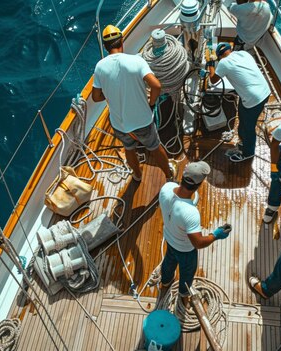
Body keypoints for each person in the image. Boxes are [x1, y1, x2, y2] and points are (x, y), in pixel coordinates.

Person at [91, 25, 176, 181]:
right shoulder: (136, 61)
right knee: (155, 147)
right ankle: (169, 176)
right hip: (142, 121)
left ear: (105, 46)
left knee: (129, 149)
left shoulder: (99, 67)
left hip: (119, 124)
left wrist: (109, 93)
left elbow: (96, 97)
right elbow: (156, 85)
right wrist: (151, 103)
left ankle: (137, 175)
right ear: (122, 41)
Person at [159, 161, 231, 304]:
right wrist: (215, 235)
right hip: (185, 250)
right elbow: (198, 242)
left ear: (182, 177)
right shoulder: (191, 213)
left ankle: (165, 283)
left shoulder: (166, 188)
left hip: (169, 239)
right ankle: (183, 294)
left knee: (169, 261)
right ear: (199, 185)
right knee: (187, 272)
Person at [207, 42, 271, 162]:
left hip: (253, 100)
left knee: (249, 128)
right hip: (265, 91)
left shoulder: (223, 62)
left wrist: (210, 64)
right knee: (243, 118)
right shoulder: (243, 53)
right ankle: (243, 142)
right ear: (230, 49)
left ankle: (248, 153)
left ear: (219, 56)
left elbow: (213, 80)